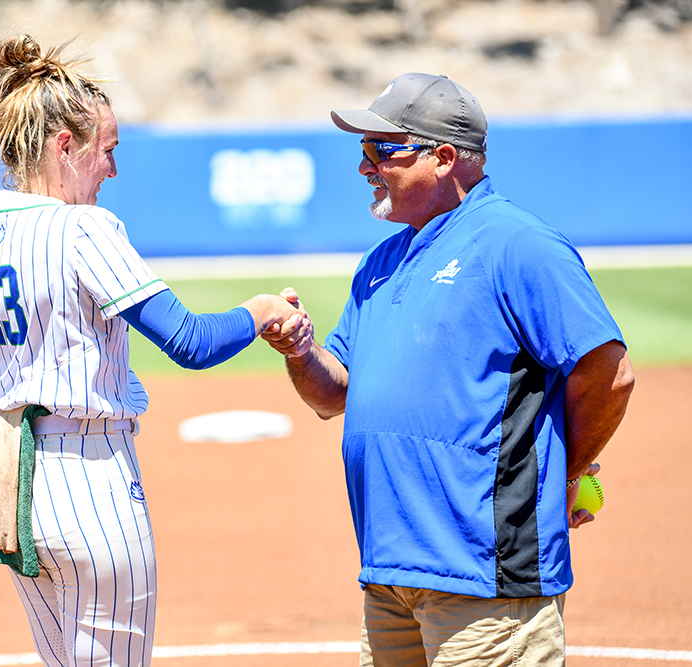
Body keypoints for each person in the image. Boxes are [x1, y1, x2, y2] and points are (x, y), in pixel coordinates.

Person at [0, 35, 310, 667]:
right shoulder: (83, 227)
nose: (113, 169)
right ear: (64, 146)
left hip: (11, 489)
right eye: (108, 149)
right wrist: (261, 311)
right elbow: (190, 342)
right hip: (92, 483)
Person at [262, 73, 635, 666]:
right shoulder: (382, 260)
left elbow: (608, 373)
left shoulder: (518, 244)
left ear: (443, 157)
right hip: (390, 570)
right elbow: (335, 396)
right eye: (362, 150)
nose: (365, 166)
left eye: (382, 150)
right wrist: (301, 352)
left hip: (483, 573)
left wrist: (565, 472)